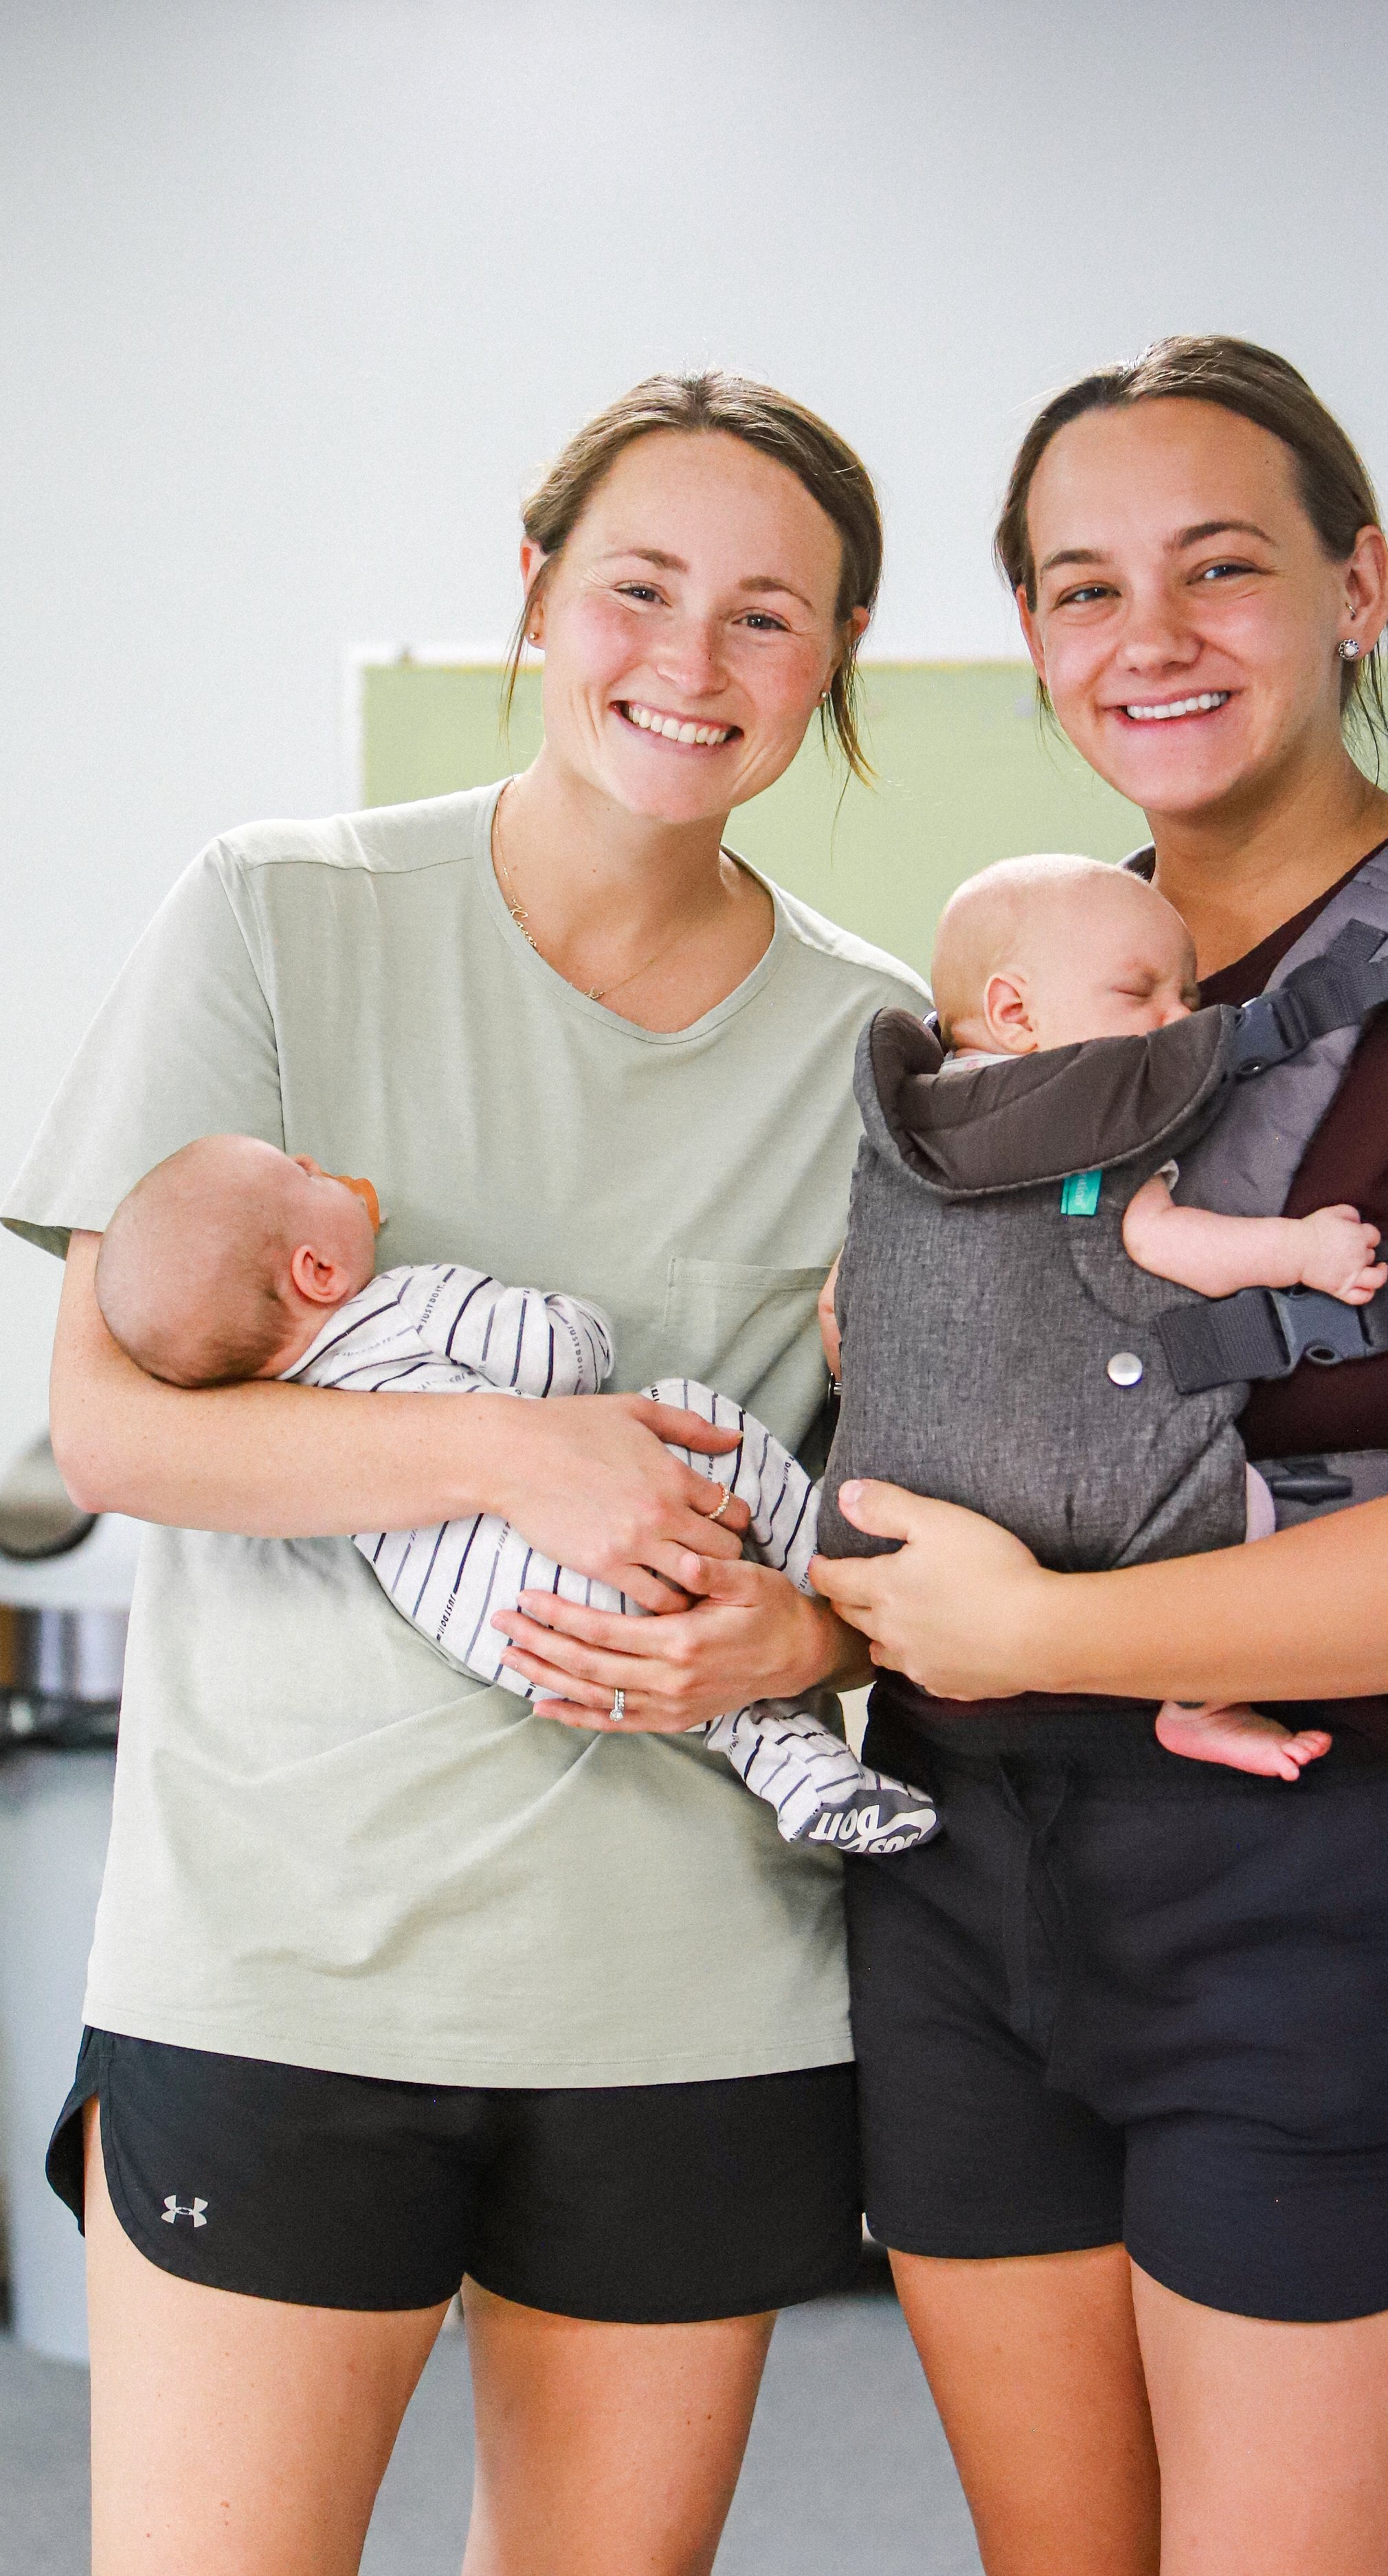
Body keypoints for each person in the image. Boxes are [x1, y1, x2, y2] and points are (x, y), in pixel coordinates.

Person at [3, 370, 927, 2576]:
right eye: (635, 588)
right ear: (532, 594)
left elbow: (897, 1522)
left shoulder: (881, 1046)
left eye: (766, 618)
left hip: (691, 1991)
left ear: (832, 664)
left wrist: (798, 1626)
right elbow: (115, 1426)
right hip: (282, 1964)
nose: (686, 667)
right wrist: (508, 1445)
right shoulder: (272, 916)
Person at [813, 338, 1388, 2576]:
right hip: (964, 1877)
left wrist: (1043, 1623)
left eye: (1224, 568)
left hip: (1348, 1878)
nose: (1152, 637)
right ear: (1030, 638)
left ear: (1359, 587)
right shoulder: (1025, 995)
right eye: (1084, 586)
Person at [92, 1130, 939, 1850]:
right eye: (304, 1176)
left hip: (516, 1640)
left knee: (713, 1698)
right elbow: (568, 1357)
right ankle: (814, 1557)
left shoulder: (292, 1433)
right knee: (688, 1415)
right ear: (318, 1270)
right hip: (589, 1554)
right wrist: (566, 1315)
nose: (319, 1163)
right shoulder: (407, 1306)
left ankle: (808, 1782)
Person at [834, 848, 1382, 1780]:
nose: (1187, 1020)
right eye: (1143, 994)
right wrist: (1303, 1252)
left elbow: (845, 1309)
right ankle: (1199, 1696)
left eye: (1192, 990)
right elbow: (1170, 1245)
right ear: (1016, 1013)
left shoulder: (905, 1131)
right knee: (1238, 1522)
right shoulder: (1089, 1121)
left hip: (884, 1515)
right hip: (1088, 1494)